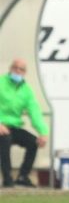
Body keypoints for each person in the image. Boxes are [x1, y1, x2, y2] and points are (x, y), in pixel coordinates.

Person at [0, 58, 49, 187]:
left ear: (24, 72)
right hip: (1, 126)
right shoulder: (1, 82)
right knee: (5, 140)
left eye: (21, 69)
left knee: (33, 142)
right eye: (15, 68)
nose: (17, 71)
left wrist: (43, 132)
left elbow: (34, 111)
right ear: (10, 69)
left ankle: (23, 176)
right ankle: (7, 179)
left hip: (13, 126)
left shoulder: (26, 90)